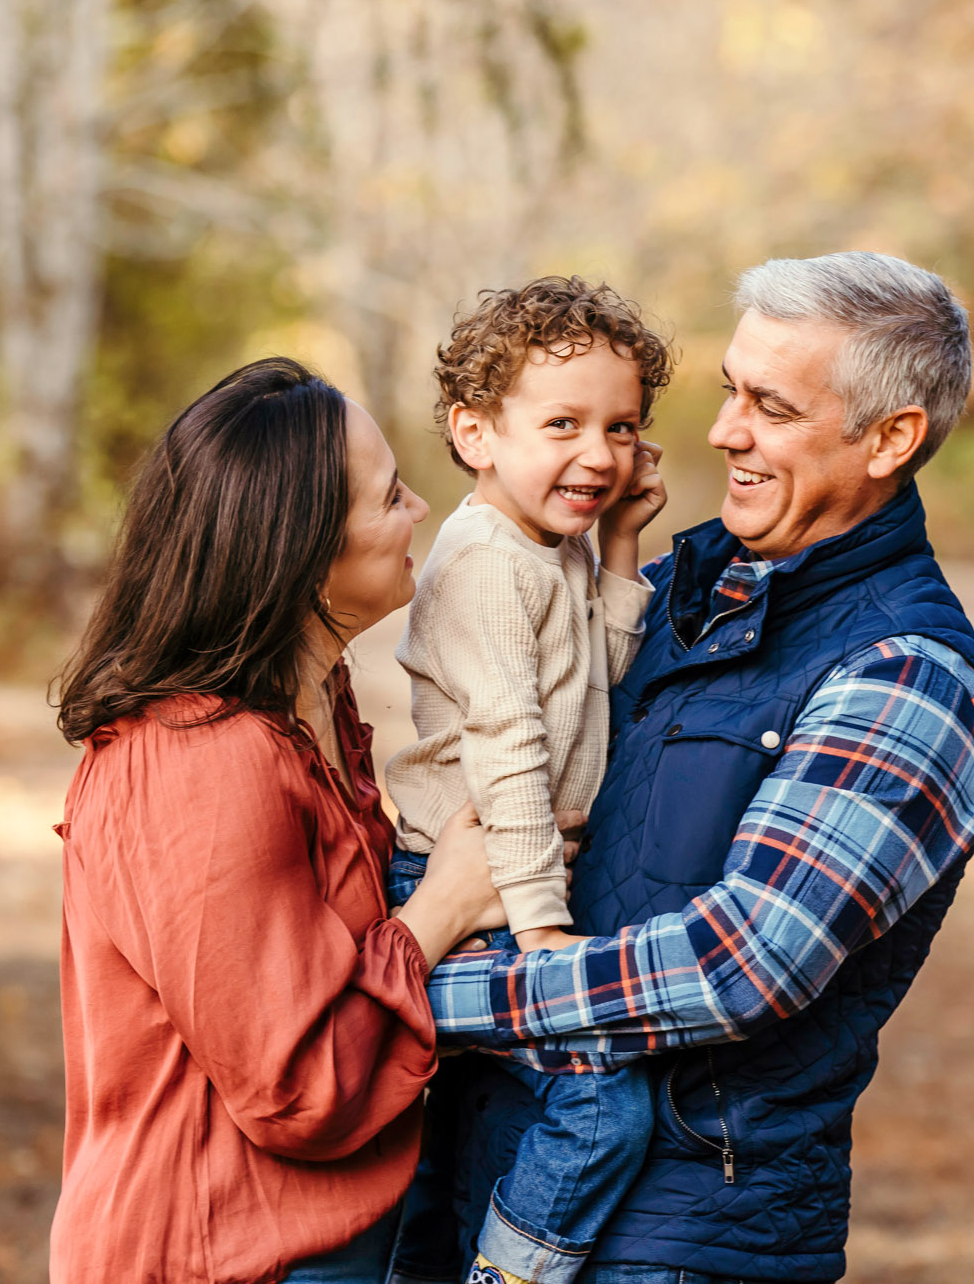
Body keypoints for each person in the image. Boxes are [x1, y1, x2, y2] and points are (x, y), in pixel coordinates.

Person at [425, 252, 974, 1283]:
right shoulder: (677, 589)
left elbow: (740, 963)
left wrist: (422, 990)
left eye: (771, 407)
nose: (722, 432)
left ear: (889, 438)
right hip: (492, 1179)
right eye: (727, 392)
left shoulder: (901, 675)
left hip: (675, 1236)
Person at [46, 358, 509, 1284]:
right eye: (388, 497)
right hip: (211, 1255)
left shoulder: (312, 711)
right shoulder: (199, 761)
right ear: (301, 553)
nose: (419, 507)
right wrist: (443, 909)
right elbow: (294, 1083)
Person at [381, 279, 671, 1284]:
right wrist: (541, 924)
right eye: (562, 423)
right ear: (475, 433)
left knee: (461, 1123)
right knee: (600, 1104)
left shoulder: (555, 550)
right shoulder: (486, 564)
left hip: (521, 876)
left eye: (621, 425)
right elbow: (506, 743)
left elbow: (603, 681)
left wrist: (622, 546)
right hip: (474, 884)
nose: (598, 453)